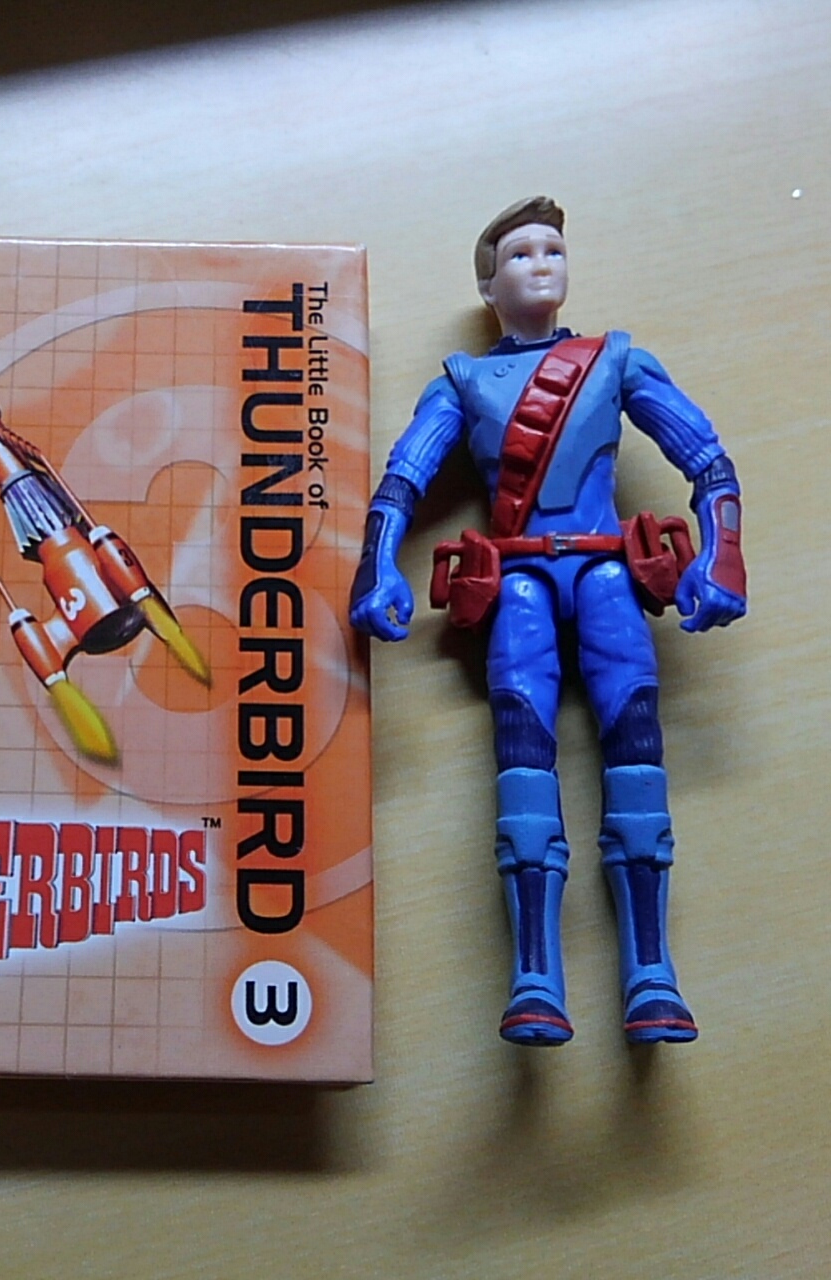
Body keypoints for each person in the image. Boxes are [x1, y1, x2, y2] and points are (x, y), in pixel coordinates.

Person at [350, 197, 747, 1046]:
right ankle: (535, 975)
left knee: (636, 749)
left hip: (606, 575)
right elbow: (402, 482)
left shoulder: (617, 361)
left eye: (553, 249)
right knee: (522, 761)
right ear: (488, 284)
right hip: (521, 581)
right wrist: (377, 563)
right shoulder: (464, 381)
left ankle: (651, 972)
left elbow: (707, 461)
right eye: (521, 253)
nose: (541, 263)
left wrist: (722, 554)